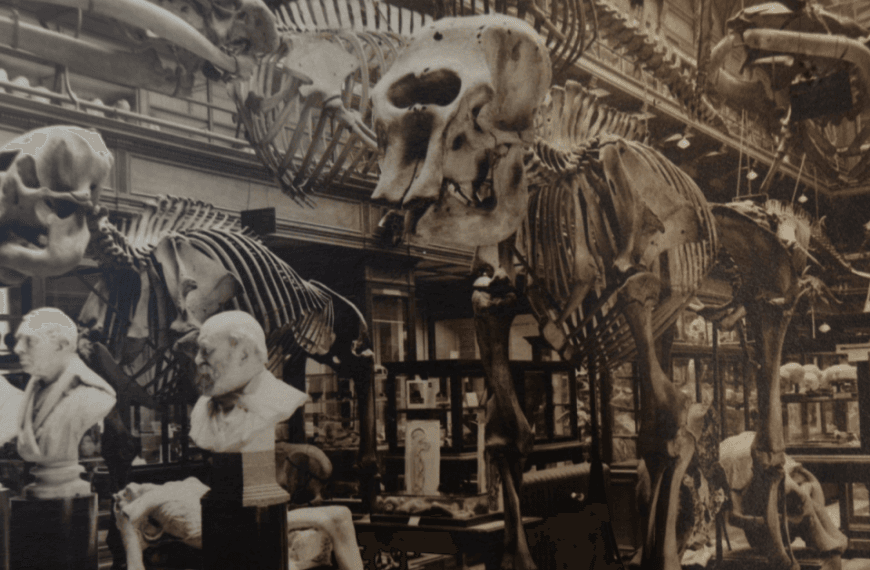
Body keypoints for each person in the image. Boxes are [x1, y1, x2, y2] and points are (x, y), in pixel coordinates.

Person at [189, 311, 308, 453]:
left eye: (206, 351)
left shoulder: (281, 400)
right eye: (198, 351)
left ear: (243, 354)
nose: (197, 360)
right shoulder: (202, 407)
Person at [16, 307, 116, 465]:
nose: (18, 349)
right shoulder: (32, 390)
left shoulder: (93, 395)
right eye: (19, 340)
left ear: (61, 345)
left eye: (30, 341)